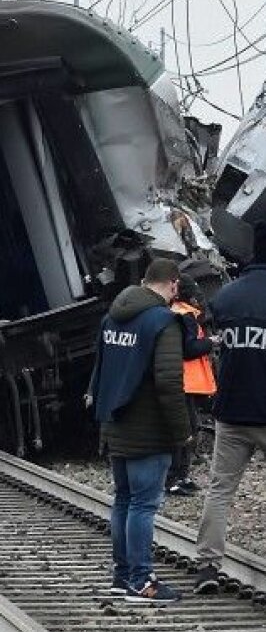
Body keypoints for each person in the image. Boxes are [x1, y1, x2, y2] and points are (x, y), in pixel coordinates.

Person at [193, 221, 266, 592]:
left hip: (233, 412)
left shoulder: (227, 297)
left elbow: (211, 334)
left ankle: (208, 564)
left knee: (220, 489)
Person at [87, 258, 190, 604]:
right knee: (144, 505)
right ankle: (141, 580)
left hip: (115, 424)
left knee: (124, 501)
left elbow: (100, 371)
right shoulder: (163, 322)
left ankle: (122, 577)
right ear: (173, 286)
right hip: (149, 430)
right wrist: (182, 431)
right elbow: (168, 381)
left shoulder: (111, 317)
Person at [166, 274, 217, 496]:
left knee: (188, 429)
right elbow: (189, 349)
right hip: (184, 382)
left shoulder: (178, 313)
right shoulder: (184, 316)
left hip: (184, 381)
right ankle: (175, 478)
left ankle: (180, 475)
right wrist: (210, 343)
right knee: (186, 430)